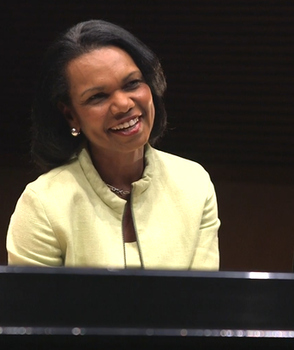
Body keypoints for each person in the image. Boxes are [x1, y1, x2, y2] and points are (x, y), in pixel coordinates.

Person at [6, 19, 220, 269]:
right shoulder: (43, 203)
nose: (123, 105)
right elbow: (33, 307)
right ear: (70, 115)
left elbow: (204, 302)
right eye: (98, 97)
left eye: (132, 84)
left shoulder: (193, 183)